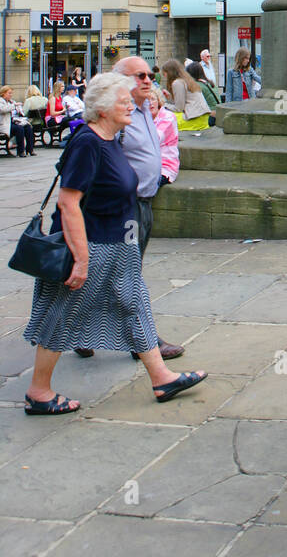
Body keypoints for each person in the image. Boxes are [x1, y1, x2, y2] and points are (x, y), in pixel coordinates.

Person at [21, 72, 207, 414]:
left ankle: (161, 377)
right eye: (124, 102)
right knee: (63, 315)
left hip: (119, 244)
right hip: (94, 246)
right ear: (103, 109)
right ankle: (39, 392)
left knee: (136, 307)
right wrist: (80, 259)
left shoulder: (110, 139)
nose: (132, 107)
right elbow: (68, 202)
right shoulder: (88, 142)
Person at [112, 57, 185, 359]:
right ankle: (144, 341)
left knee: (119, 272)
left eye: (150, 74)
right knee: (129, 275)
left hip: (144, 202)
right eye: (139, 75)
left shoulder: (144, 109)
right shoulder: (118, 114)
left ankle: (84, 332)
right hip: (124, 208)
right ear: (121, 81)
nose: (147, 79)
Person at [161, 58, 211, 131]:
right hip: (203, 118)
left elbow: (178, 108)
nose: (164, 75)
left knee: (164, 120)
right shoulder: (187, 80)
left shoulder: (177, 83)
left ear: (169, 72)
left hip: (193, 119)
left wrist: (163, 105)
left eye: (164, 73)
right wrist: (170, 97)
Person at [147, 85, 180, 184]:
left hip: (164, 167)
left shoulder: (168, 117)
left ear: (159, 101)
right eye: (146, 100)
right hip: (146, 166)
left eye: (153, 99)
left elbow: (154, 139)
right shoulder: (143, 117)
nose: (150, 103)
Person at [0, 86, 35, 156]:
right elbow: (3, 109)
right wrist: (14, 106)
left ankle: (30, 149)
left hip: (13, 122)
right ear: (3, 93)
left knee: (27, 127)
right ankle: (20, 151)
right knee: (19, 129)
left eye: (11, 93)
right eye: (9, 93)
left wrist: (19, 110)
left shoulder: (12, 101)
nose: (11, 95)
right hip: (4, 124)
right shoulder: (1, 101)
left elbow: (20, 112)